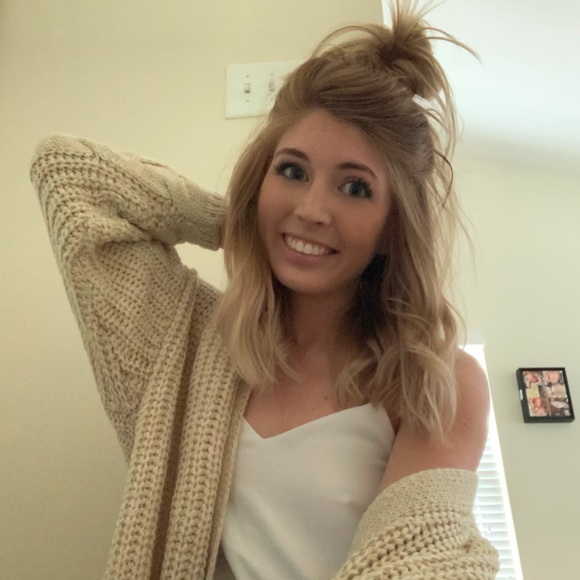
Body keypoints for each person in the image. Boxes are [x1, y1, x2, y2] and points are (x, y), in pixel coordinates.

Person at [30, 1, 499, 578]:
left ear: (393, 227)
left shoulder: (435, 380)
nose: (312, 209)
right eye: (293, 171)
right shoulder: (196, 344)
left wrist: (277, 226)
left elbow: (417, 563)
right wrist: (246, 224)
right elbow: (66, 174)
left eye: (355, 187)